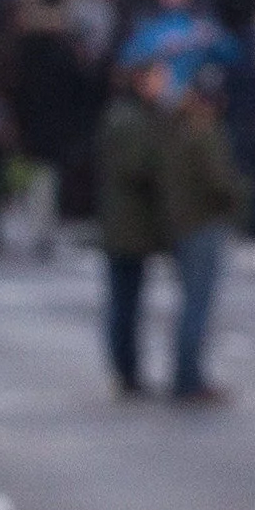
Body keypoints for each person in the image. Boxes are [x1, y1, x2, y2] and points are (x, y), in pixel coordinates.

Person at [162, 76, 247, 405]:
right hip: (203, 224)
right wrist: (237, 197)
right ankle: (189, 378)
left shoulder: (176, 130)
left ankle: (186, 375)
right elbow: (219, 181)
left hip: (183, 224)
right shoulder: (204, 134)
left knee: (189, 303)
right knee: (197, 305)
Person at [97, 60, 176, 399]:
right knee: (125, 302)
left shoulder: (131, 115)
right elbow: (137, 168)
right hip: (128, 224)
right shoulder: (130, 119)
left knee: (126, 300)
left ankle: (127, 368)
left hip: (128, 223)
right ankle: (126, 370)